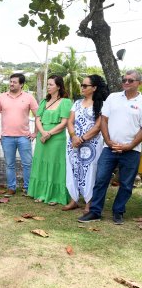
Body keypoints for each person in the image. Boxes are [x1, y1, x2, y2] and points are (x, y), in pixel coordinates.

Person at [78, 70, 142, 225]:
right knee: (100, 180)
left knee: (126, 184)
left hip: (132, 150)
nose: (126, 82)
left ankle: (118, 212)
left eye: (130, 80)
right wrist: (108, 140)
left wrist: (129, 145)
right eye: (124, 79)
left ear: (138, 83)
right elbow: (104, 120)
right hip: (109, 148)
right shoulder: (113, 98)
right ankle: (95, 212)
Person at [63, 75, 109, 212]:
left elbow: (98, 127)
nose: (82, 88)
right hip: (73, 143)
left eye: (85, 86)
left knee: (90, 172)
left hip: (92, 145)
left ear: (94, 88)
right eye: (82, 85)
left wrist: (81, 139)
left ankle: (89, 202)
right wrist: (73, 136)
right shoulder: (77, 103)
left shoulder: (102, 104)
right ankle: (74, 200)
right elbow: (69, 122)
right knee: (73, 169)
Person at [28, 75, 72, 205]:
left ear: (58, 86)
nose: (48, 87)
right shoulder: (43, 102)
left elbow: (64, 122)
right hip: (42, 137)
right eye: (47, 84)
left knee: (54, 165)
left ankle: (54, 195)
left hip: (56, 139)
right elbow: (37, 118)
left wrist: (49, 134)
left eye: (51, 84)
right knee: (41, 163)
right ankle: (41, 193)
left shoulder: (65, 102)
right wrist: (42, 132)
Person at [0, 73, 38, 195]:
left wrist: (35, 133)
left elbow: (38, 116)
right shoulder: (2, 97)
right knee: (9, 164)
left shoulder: (29, 98)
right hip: (6, 137)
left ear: (21, 84)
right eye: (11, 81)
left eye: (15, 82)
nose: (11, 84)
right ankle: (11, 188)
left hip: (24, 137)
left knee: (27, 164)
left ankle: (28, 188)